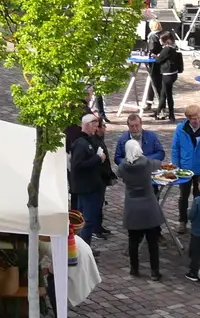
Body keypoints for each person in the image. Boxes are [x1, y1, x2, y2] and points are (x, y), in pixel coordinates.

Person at [119, 139, 166, 279]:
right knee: (152, 241)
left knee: (133, 240)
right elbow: (158, 164)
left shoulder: (123, 167)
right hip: (148, 206)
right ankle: (155, 272)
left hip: (132, 207)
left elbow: (118, 173)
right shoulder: (146, 163)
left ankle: (134, 269)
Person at [171, 104, 200, 234]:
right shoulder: (181, 129)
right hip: (185, 168)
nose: (196, 121)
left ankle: (197, 221)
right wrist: (176, 166)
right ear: (188, 119)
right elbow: (175, 148)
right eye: (193, 119)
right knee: (183, 196)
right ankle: (182, 221)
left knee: (199, 196)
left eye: (198, 118)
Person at [68, 113, 109, 244]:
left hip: (89, 186)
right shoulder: (81, 144)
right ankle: (84, 248)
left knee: (83, 220)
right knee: (88, 220)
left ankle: (81, 247)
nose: (96, 128)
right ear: (87, 125)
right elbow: (77, 165)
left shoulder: (86, 141)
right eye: (95, 125)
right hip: (87, 188)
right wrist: (98, 158)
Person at [152, 31, 183, 121]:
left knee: (163, 95)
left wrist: (156, 56)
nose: (159, 41)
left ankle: (157, 113)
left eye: (160, 39)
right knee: (168, 94)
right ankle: (171, 115)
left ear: (165, 40)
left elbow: (158, 60)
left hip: (167, 74)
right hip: (173, 74)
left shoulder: (166, 49)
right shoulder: (173, 48)